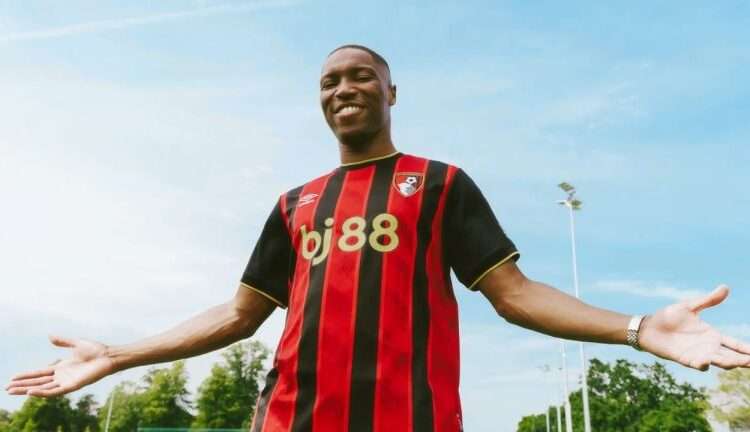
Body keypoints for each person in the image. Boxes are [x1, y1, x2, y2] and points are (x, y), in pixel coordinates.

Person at [6, 44, 750, 432]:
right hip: (292, 422)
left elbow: (515, 295)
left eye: (361, 76)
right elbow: (237, 316)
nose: (344, 89)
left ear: (391, 92)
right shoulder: (294, 204)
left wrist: (636, 327)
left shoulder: (440, 183)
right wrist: (118, 355)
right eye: (330, 81)